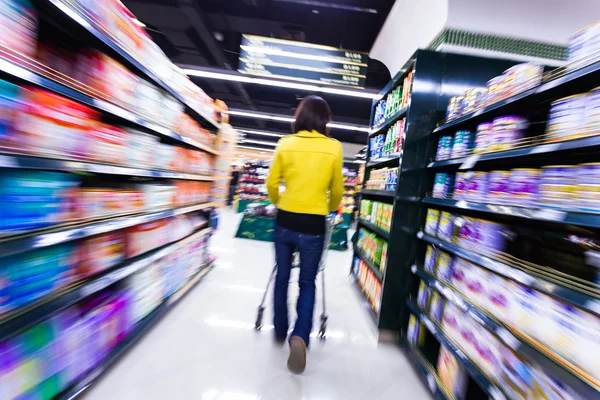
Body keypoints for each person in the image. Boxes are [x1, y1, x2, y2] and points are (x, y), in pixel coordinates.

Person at [266, 95, 344, 373]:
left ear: (299, 116)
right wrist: (329, 208)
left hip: (285, 219)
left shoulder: (285, 144)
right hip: (313, 224)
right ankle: (299, 335)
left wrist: (280, 202)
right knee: (307, 282)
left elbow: (271, 183)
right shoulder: (333, 148)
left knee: (282, 277)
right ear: (325, 119)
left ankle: (278, 329)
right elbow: (337, 192)